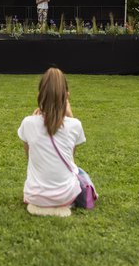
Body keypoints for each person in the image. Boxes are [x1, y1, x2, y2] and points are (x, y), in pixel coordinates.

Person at [17, 67, 96, 217]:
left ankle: (44, 201)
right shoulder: (75, 125)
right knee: (80, 172)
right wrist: (70, 115)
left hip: (34, 195)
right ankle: (65, 201)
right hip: (65, 196)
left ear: (40, 95)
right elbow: (70, 158)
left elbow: (30, 157)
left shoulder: (28, 123)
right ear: (66, 96)